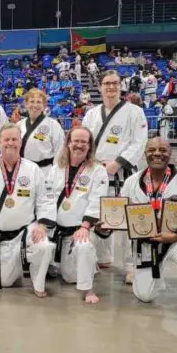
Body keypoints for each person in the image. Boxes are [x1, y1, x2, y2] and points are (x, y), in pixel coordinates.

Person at [117, 138, 177, 318]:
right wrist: (107, 227)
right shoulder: (132, 182)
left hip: (176, 240)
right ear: (145, 153)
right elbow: (120, 212)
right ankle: (153, 278)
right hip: (146, 244)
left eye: (162, 150)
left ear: (170, 154)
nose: (157, 153)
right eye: (152, 150)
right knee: (145, 296)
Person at [0, 124, 56, 297]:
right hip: (1, 235)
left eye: (14, 139)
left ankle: (38, 284)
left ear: (21, 142)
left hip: (27, 230)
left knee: (44, 246)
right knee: (4, 282)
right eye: (6, 139)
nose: (10, 143)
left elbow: (45, 199)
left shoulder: (33, 169)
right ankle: (16, 262)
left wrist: (42, 226)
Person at [81, 70, 147, 275]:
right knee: (97, 214)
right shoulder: (91, 114)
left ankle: (131, 266)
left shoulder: (134, 112)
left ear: (121, 86)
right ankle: (102, 257)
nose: (111, 87)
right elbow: (84, 141)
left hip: (123, 173)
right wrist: (90, 164)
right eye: (107, 83)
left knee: (127, 219)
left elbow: (139, 142)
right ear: (100, 87)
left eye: (115, 83)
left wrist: (117, 163)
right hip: (96, 171)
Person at [45, 126, 108, 303]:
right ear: (68, 143)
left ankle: (87, 289)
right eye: (76, 141)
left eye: (83, 142)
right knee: (39, 247)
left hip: (79, 229)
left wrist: (85, 226)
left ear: (90, 146)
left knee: (83, 247)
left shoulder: (98, 170)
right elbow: (47, 197)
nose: (79, 145)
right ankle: (78, 263)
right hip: (57, 230)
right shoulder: (57, 168)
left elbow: (96, 201)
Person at [17, 89, 65, 172]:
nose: (35, 105)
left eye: (39, 102)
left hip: (45, 171)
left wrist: (55, 172)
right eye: (32, 101)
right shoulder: (19, 125)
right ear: (26, 104)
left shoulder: (53, 125)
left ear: (44, 105)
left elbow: (60, 150)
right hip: (23, 170)